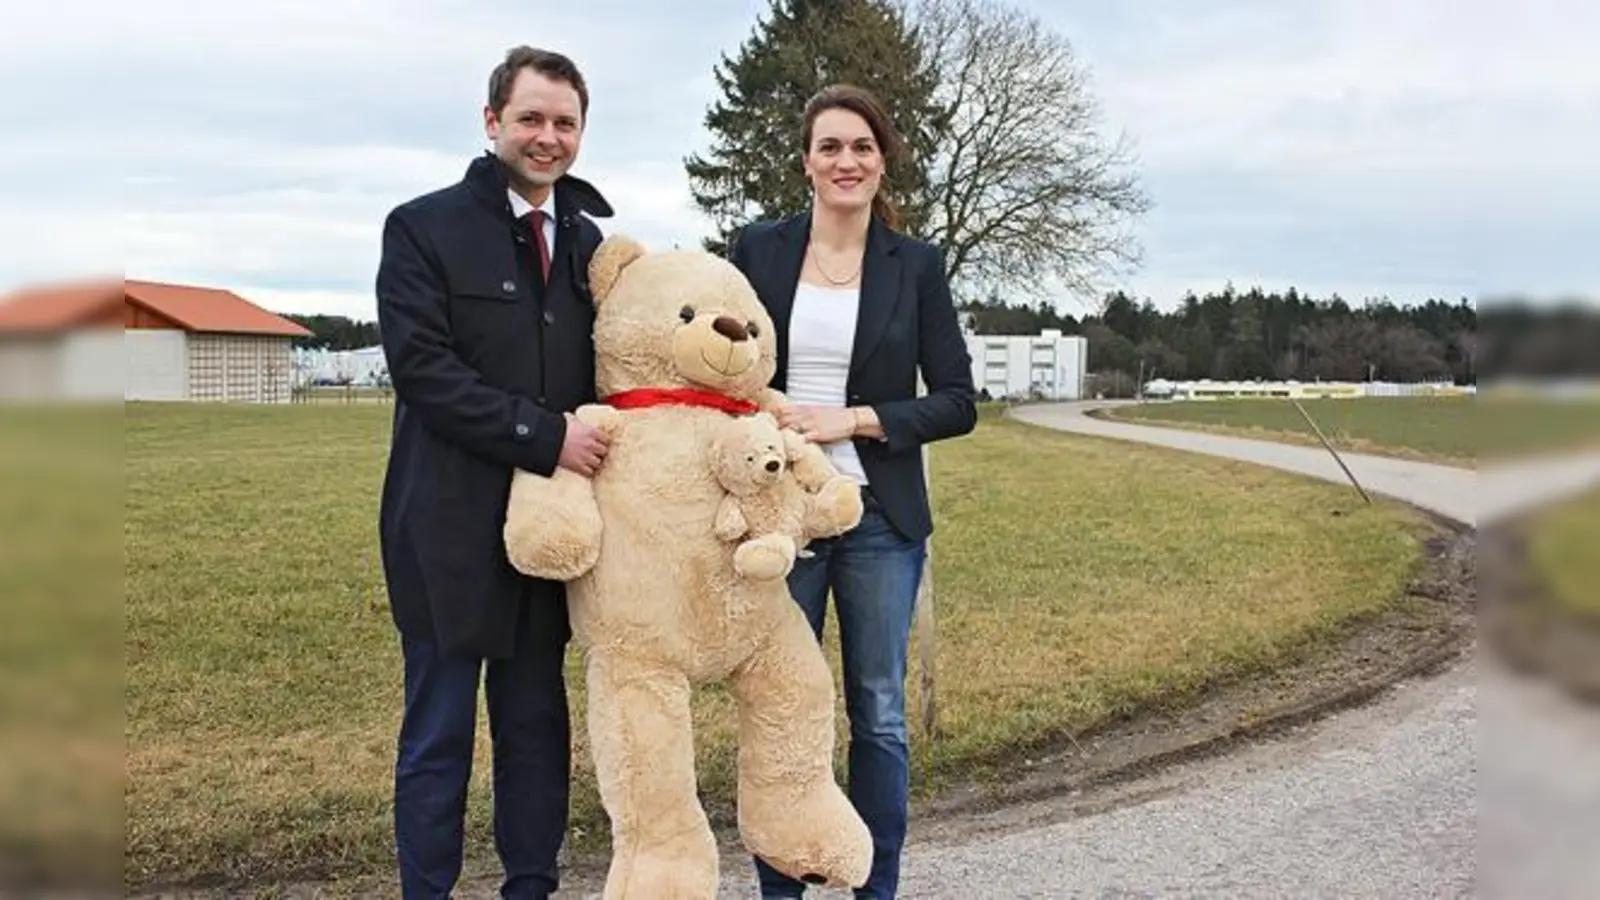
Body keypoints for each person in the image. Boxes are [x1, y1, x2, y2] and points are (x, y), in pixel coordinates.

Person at [725, 83, 978, 899]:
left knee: (878, 715)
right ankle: (781, 889)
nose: (846, 161)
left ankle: (876, 887)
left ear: (882, 161)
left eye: (862, 147)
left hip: (880, 521)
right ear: (805, 160)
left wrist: (857, 419)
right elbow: (726, 374)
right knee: (779, 718)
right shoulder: (756, 252)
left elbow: (956, 399)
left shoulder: (917, 267)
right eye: (830, 146)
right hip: (780, 523)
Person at [374, 45, 613, 900]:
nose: (547, 138)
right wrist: (544, 437)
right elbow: (424, 371)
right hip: (444, 528)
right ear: (492, 123)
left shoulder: (591, 247)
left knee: (535, 726)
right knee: (438, 732)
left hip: (548, 535)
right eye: (531, 119)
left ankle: (531, 886)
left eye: (564, 123)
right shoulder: (422, 228)